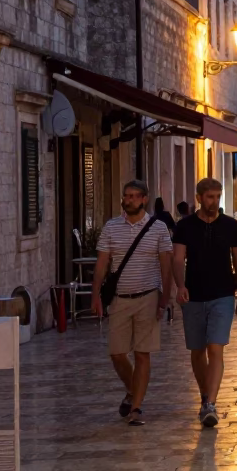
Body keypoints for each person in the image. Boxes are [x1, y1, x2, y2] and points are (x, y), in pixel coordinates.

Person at [91, 180, 174, 426]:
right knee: (117, 353)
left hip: (148, 296)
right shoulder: (111, 227)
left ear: (144, 199)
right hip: (119, 299)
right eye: (126, 196)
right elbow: (102, 264)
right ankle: (132, 388)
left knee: (142, 353)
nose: (128, 200)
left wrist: (165, 300)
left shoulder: (158, 228)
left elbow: (166, 266)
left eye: (133, 196)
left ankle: (136, 407)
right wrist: (95, 294)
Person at [171, 178, 237, 427]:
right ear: (199, 198)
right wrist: (180, 285)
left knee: (216, 348)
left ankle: (211, 403)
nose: (214, 202)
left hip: (222, 294)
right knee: (197, 351)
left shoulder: (230, 226)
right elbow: (177, 258)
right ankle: (206, 398)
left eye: (218, 196)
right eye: (210, 197)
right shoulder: (184, 227)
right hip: (193, 295)